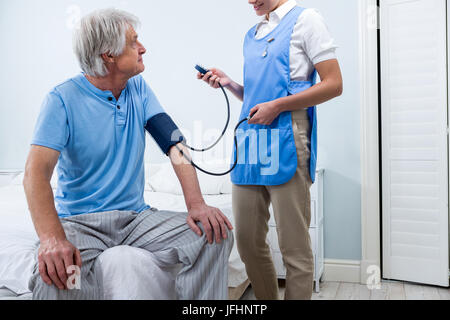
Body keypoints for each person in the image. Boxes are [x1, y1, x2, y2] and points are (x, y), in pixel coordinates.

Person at [24, 8, 233, 300]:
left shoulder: (138, 88)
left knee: (214, 234)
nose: (143, 48)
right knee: (54, 279)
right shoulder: (61, 99)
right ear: (108, 54)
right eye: (134, 42)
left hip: (136, 220)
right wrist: (52, 239)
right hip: (80, 224)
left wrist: (196, 204)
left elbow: (175, 145)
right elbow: (35, 174)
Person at [198, 0, 342, 299]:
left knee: (294, 247)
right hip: (251, 140)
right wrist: (229, 84)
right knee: (248, 243)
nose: (250, 1)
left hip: (288, 135)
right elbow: (256, 97)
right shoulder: (253, 33)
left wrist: (278, 106)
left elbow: (334, 84)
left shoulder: (306, 20)